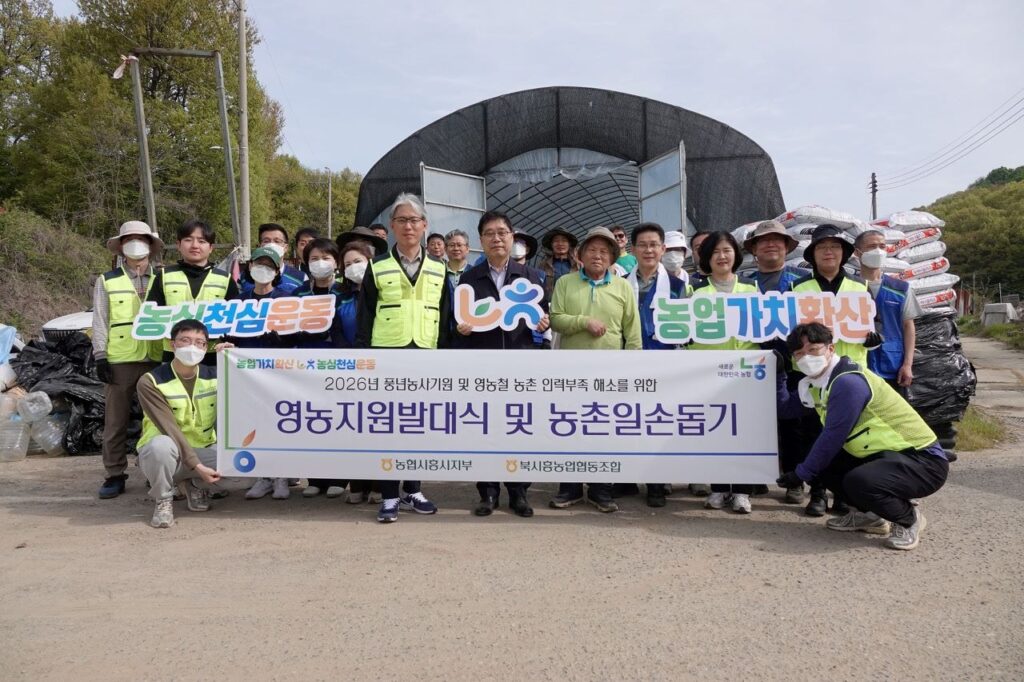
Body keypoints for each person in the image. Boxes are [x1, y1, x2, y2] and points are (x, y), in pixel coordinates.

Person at [776, 323, 948, 551]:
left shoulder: (848, 382)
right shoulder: (817, 383)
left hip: (922, 460)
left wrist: (800, 474)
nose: (806, 357)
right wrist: (778, 373)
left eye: (813, 349)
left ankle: (908, 518)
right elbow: (786, 409)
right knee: (824, 466)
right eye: (799, 354)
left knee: (857, 480)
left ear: (831, 348)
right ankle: (871, 516)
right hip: (884, 456)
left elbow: (833, 437)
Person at [355, 192, 448, 523]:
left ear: (424, 226)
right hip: (387, 356)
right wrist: (363, 359)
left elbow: (446, 315)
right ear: (392, 227)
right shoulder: (377, 267)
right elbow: (364, 315)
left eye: (414, 220)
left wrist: (446, 359)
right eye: (401, 220)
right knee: (389, 427)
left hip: (425, 354)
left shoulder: (440, 268)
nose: (408, 226)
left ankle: (413, 489)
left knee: (418, 425)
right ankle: (390, 495)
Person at [453, 211, 549, 518]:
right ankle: (488, 492)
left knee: (518, 428)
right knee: (485, 429)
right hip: (483, 367)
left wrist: (544, 325)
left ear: (512, 238)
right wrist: (461, 329)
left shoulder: (532, 277)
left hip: (521, 367)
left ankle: (519, 492)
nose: (497, 238)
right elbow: (457, 322)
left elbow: (544, 323)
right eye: (490, 233)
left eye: (502, 233)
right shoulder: (468, 279)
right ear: (480, 241)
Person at [549, 226, 642, 513]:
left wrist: (631, 370)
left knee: (604, 430)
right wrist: (583, 321)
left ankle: (602, 490)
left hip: (610, 374)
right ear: (581, 254)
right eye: (592, 250)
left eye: (604, 251)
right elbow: (555, 319)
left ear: (613, 256)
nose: (597, 256)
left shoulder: (623, 286)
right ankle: (570, 488)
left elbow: (633, 333)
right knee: (569, 428)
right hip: (570, 372)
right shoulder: (565, 283)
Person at [742, 220, 825, 513]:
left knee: (793, 424)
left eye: (777, 240)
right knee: (752, 424)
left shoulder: (800, 283)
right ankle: (753, 479)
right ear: (753, 249)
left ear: (787, 247)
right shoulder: (745, 284)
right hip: (751, 364)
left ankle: (794, 479)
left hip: (793, 365)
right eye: (763, 241)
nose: (770, 245)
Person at [93, 221, 165, 499]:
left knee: (156, 421)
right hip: (120, 360)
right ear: (121, 246)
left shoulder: (162, 279)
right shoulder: (107, 280)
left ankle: (153, 471)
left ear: (150, 246)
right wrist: (100, 355)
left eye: (141, 239)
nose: (136, 244)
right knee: (115, 422)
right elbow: (100, 319)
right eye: (130, 239)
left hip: (156, 358)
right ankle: (114, 474)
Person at [690, 231, 760, 514]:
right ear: (707, 258)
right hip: (709, 373)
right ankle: (719, 488)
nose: (722, 256)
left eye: (727, 250)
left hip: (745, 371)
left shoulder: (751, 289)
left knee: (744, 431)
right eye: (716, 251)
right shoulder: (696, 291)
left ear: (735, 255)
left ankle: (742, 491)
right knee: (716, 429)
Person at [136, 319, 227, 529]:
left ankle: (194, 484)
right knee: (161, 447)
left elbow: (246, 387)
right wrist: (197, 465)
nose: (192, 347)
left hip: (202, 449)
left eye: (199, 342)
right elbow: (169, 428)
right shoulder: (151, 381)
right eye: (185, 341)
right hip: (170, 456)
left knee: (244, 473)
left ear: (206, 347)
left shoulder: (214, 376)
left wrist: (232, 359)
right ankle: (163, 499)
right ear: (172, 344)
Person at [626, 222, 690, 507]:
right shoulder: (619, 282)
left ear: (663, 249)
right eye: (643, 245)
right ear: (633, 250)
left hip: (663, 361)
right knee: (627, 421)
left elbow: (688, 329)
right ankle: (626, 481)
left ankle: (655, 484)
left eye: (654, 244)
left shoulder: (678, 287)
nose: (649, 250)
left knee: (655, 422)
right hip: (626, 360)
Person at [233, 247, 293, 501]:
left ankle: (281, 475)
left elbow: (296, 337)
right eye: (259, 264)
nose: (263, 269)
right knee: (254, 423)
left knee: (278, 421)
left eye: (270, 265)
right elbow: (230, 334)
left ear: (278, 270)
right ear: (249, 267)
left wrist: (282, 337)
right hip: (247, 373)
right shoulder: (239, 301)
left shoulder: (287, 299)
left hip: (278, 372)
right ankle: (263, 476)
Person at [146, 219, 239, 366]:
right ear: (178, 245)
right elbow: (151, 316)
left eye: (202, 241)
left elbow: (236, 319)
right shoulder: (163, 276)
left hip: (212, 354)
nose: (195, 245)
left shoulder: (225, 279)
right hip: (173, 353)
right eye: (188, 240)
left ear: (211, 247)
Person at [792, 224, 871, 367]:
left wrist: (875, 336)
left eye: (835, 246)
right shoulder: (796, 288)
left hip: (853, 367)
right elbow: (789, 329)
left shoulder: (862, 287)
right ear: (813, 254)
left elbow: (876, 321)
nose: (828, 251)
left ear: (843, 252)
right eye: (821, 247)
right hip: (811, 369)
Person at [853, 228, 920, 389]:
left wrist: (907, 365)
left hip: (892, 364)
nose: (878, 250)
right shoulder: (849, 287)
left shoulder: (900, 289)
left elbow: (908, 326)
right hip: (857, 366)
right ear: (857, 252)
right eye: (871, 246)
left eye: (882, 246)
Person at [239, 223, 308, 296]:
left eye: (277, 241)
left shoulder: (301, 277)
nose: (272, 244)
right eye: (266, 241)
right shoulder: (243, 277)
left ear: (286, 247)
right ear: (260, 246)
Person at [537, 227, 579, 299]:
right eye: (556, 241)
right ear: (551, 245)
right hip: (550, 305)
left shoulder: (578, 265)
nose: (560, 244)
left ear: (569, 245)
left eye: (564, 241)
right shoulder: (543, 265)